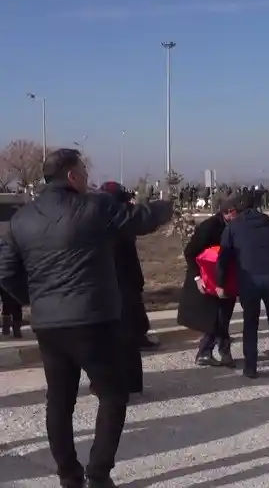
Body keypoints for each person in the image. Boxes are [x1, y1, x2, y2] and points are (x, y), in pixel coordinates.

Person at [0, 149, 172, 488]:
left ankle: (69, 476)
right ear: (72, 176)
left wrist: (37, 300)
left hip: (49, 325)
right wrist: (167, 207)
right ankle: (98, 473)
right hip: (94, 320)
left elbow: (5, 273)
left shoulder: (21, 220)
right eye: (83, 171)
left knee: (59, 400)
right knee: (112, 394)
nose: (87, 178)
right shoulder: (95, 207)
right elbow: (139, 218)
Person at [216, 193, 269, 379]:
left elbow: (223, 258)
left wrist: (220, 283)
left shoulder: (233, 227)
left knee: (250, 323)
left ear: (237, 209)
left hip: (250, 280)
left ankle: (251, 367)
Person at [177, 197, 238, 368]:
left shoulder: (235, 226)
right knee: (215, 317)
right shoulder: (209, 227)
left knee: (225, 316)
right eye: (235, 213)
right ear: (226, 213)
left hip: (227, 276)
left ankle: (222, 351)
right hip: (207, 277)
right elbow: (190, 252)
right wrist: (198, 278)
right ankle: (208, 352)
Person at [99, 181, 148, 395]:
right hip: (118, 287)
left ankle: (127, 384)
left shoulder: (103, 221)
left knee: (120, 340)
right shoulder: (115, 225)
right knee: (123, 339)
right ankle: (128, 384)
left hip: (117, 288)